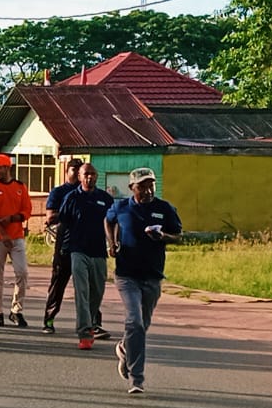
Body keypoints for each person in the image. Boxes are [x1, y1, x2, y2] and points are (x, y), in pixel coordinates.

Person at [107, 168, 181, 394]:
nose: (148, 190)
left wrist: (163, 237)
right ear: (132, 188)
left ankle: (124, 347)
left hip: (152, 277)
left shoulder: (164, 209)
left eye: (151, 185)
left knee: (142, 325)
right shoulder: (121, 207)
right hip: (127, 276)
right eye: (142, 186)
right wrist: (111, 243)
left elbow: (178, 236)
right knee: (134, 322)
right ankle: (136, 378)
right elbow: (107, 221)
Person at [58, 163, 115, 350]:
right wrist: (60, 250)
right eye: (86, 174)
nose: (89, 177)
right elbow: (63, 225)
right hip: (78, 251)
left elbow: (114, 223)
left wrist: (114, 243)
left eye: (92, 174)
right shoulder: (72, 198)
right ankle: (84, 333)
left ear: (97, 176)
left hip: (98, 252)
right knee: (81, 291)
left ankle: (89, 322)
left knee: (97, 292)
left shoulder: (105, 199)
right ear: (80, 177)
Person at [0, 153, 31, 327]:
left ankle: (17, 310)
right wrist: (3, 233)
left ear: (7, 167)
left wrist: (11, 219)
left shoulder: (19, 186)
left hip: (17, 236)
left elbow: (27, 210)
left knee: (22, 273)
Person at [43, 158, 85, 335]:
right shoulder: (60, 192)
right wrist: (69, 213)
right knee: (58, 283)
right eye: (73, 170)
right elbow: (50, 217)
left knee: (87, 287)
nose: (77, 173)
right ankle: (49, 319)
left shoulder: (89, 194)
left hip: (84, 245)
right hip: (64, 243)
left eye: (80, 170)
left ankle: (92, 323)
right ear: (67, 171)